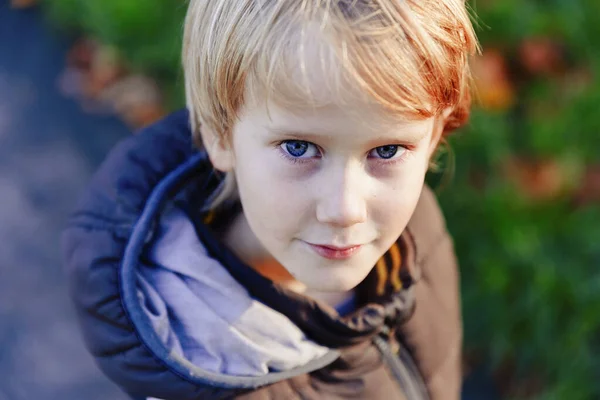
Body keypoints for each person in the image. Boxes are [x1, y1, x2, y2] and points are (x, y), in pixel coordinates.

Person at [62, 1, 479, 399]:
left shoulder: (416, 229)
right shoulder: (196, 364)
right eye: (298, 148)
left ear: (434, 138)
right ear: (219, 133)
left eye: (386, 151)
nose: (345, 209)